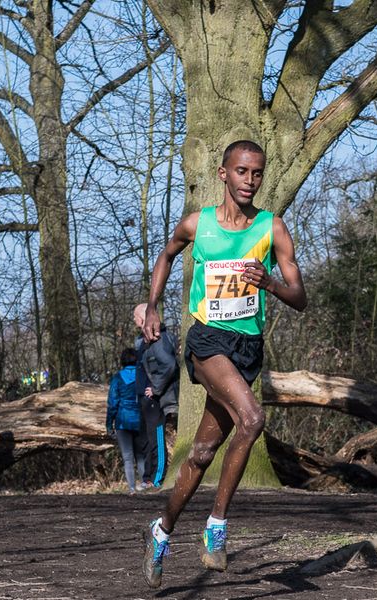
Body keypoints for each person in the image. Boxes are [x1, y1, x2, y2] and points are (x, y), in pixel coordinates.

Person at [140, 140, 307, 587]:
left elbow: (300, 297)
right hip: (207, 342)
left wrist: (269, 282)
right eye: (241, 172)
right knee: (252, 418)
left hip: (247, 349)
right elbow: (166, 254)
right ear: (223, 174)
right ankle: (217, 527)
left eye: (257, 173)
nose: (250, 181)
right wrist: (152, 305)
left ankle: (161, 531)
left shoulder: (273, 228)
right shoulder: (199, 224)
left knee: (200, 453)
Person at [133, 303, 179, 489]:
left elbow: (169, 365)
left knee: (156, 439)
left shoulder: (158, 340)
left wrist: (156, 388)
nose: (134, 321)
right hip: (145, 399)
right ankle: (147, 478)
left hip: (155, 400)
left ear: (144, 318)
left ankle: (158, 478)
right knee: (146, 440)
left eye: (136, 317)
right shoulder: (144, 340)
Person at [106, 348, 147, 494]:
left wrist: (109, 425)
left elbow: (112, 403)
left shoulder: (117, 378)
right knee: (140, 455)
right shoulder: (142, 375)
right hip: (140, 420)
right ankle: (144, 485)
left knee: (128, 458)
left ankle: (131, 488)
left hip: (122, 421)